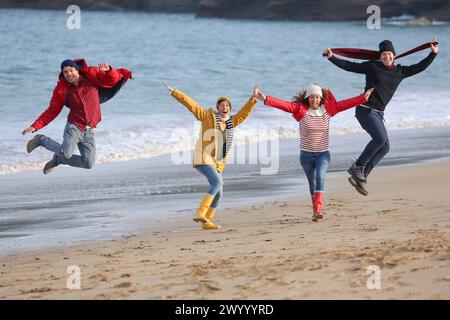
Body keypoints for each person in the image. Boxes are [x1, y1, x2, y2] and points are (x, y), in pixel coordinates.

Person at [323, 38, 438, 195]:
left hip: (378, 114)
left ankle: (361, 176)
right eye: (384, 54)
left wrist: (432, 53)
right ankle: (358, 166)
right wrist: (332, 57)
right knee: (380, 139)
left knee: (385, 147)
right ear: (380, 56)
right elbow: (350, 66)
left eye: (389, 54)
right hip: (365, 110)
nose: (387, 56)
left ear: (394, 56)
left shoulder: (400, 72)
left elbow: (420, 67)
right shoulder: (372, 66)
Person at [255, 84, 373, 221]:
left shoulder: (328, 110)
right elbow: (283, 105)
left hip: (323, 154)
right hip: (306, 156)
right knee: (312, 183)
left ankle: (317, 211)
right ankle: (315, 211)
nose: (314, 100)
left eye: (317, 97)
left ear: (320, 98)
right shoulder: (300, 110)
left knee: (319, 179)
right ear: (307, 98)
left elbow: (346, 103)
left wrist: (362, 98)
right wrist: (265, 98)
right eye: (311, 97)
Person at [164, 82, 258, 229]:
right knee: (218, 183)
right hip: (203, 156)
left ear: (229, 108)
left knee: (219, 192)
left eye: (227, 105)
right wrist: (175, 92)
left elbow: (244, 113)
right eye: (222, 105)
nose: (224, 107)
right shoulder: (207, 116)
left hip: (217, 162)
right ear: (218, 108)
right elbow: (191, 105)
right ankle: (200, 213)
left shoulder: (231, 122)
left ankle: (207, 221)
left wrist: (252, 99)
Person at [22, 59, 132, 174]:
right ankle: (42, 140)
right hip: (74, 127)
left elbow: (112, 80)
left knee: (88, 163)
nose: (69, 74)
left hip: (89, 130)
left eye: (71, 70)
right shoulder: (61, 89)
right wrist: (35, 126)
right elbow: (52, 110)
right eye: (65, 72)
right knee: (66, 153)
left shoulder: (91, 78)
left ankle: (58, 159)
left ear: (77, 70)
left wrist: (109, 70)